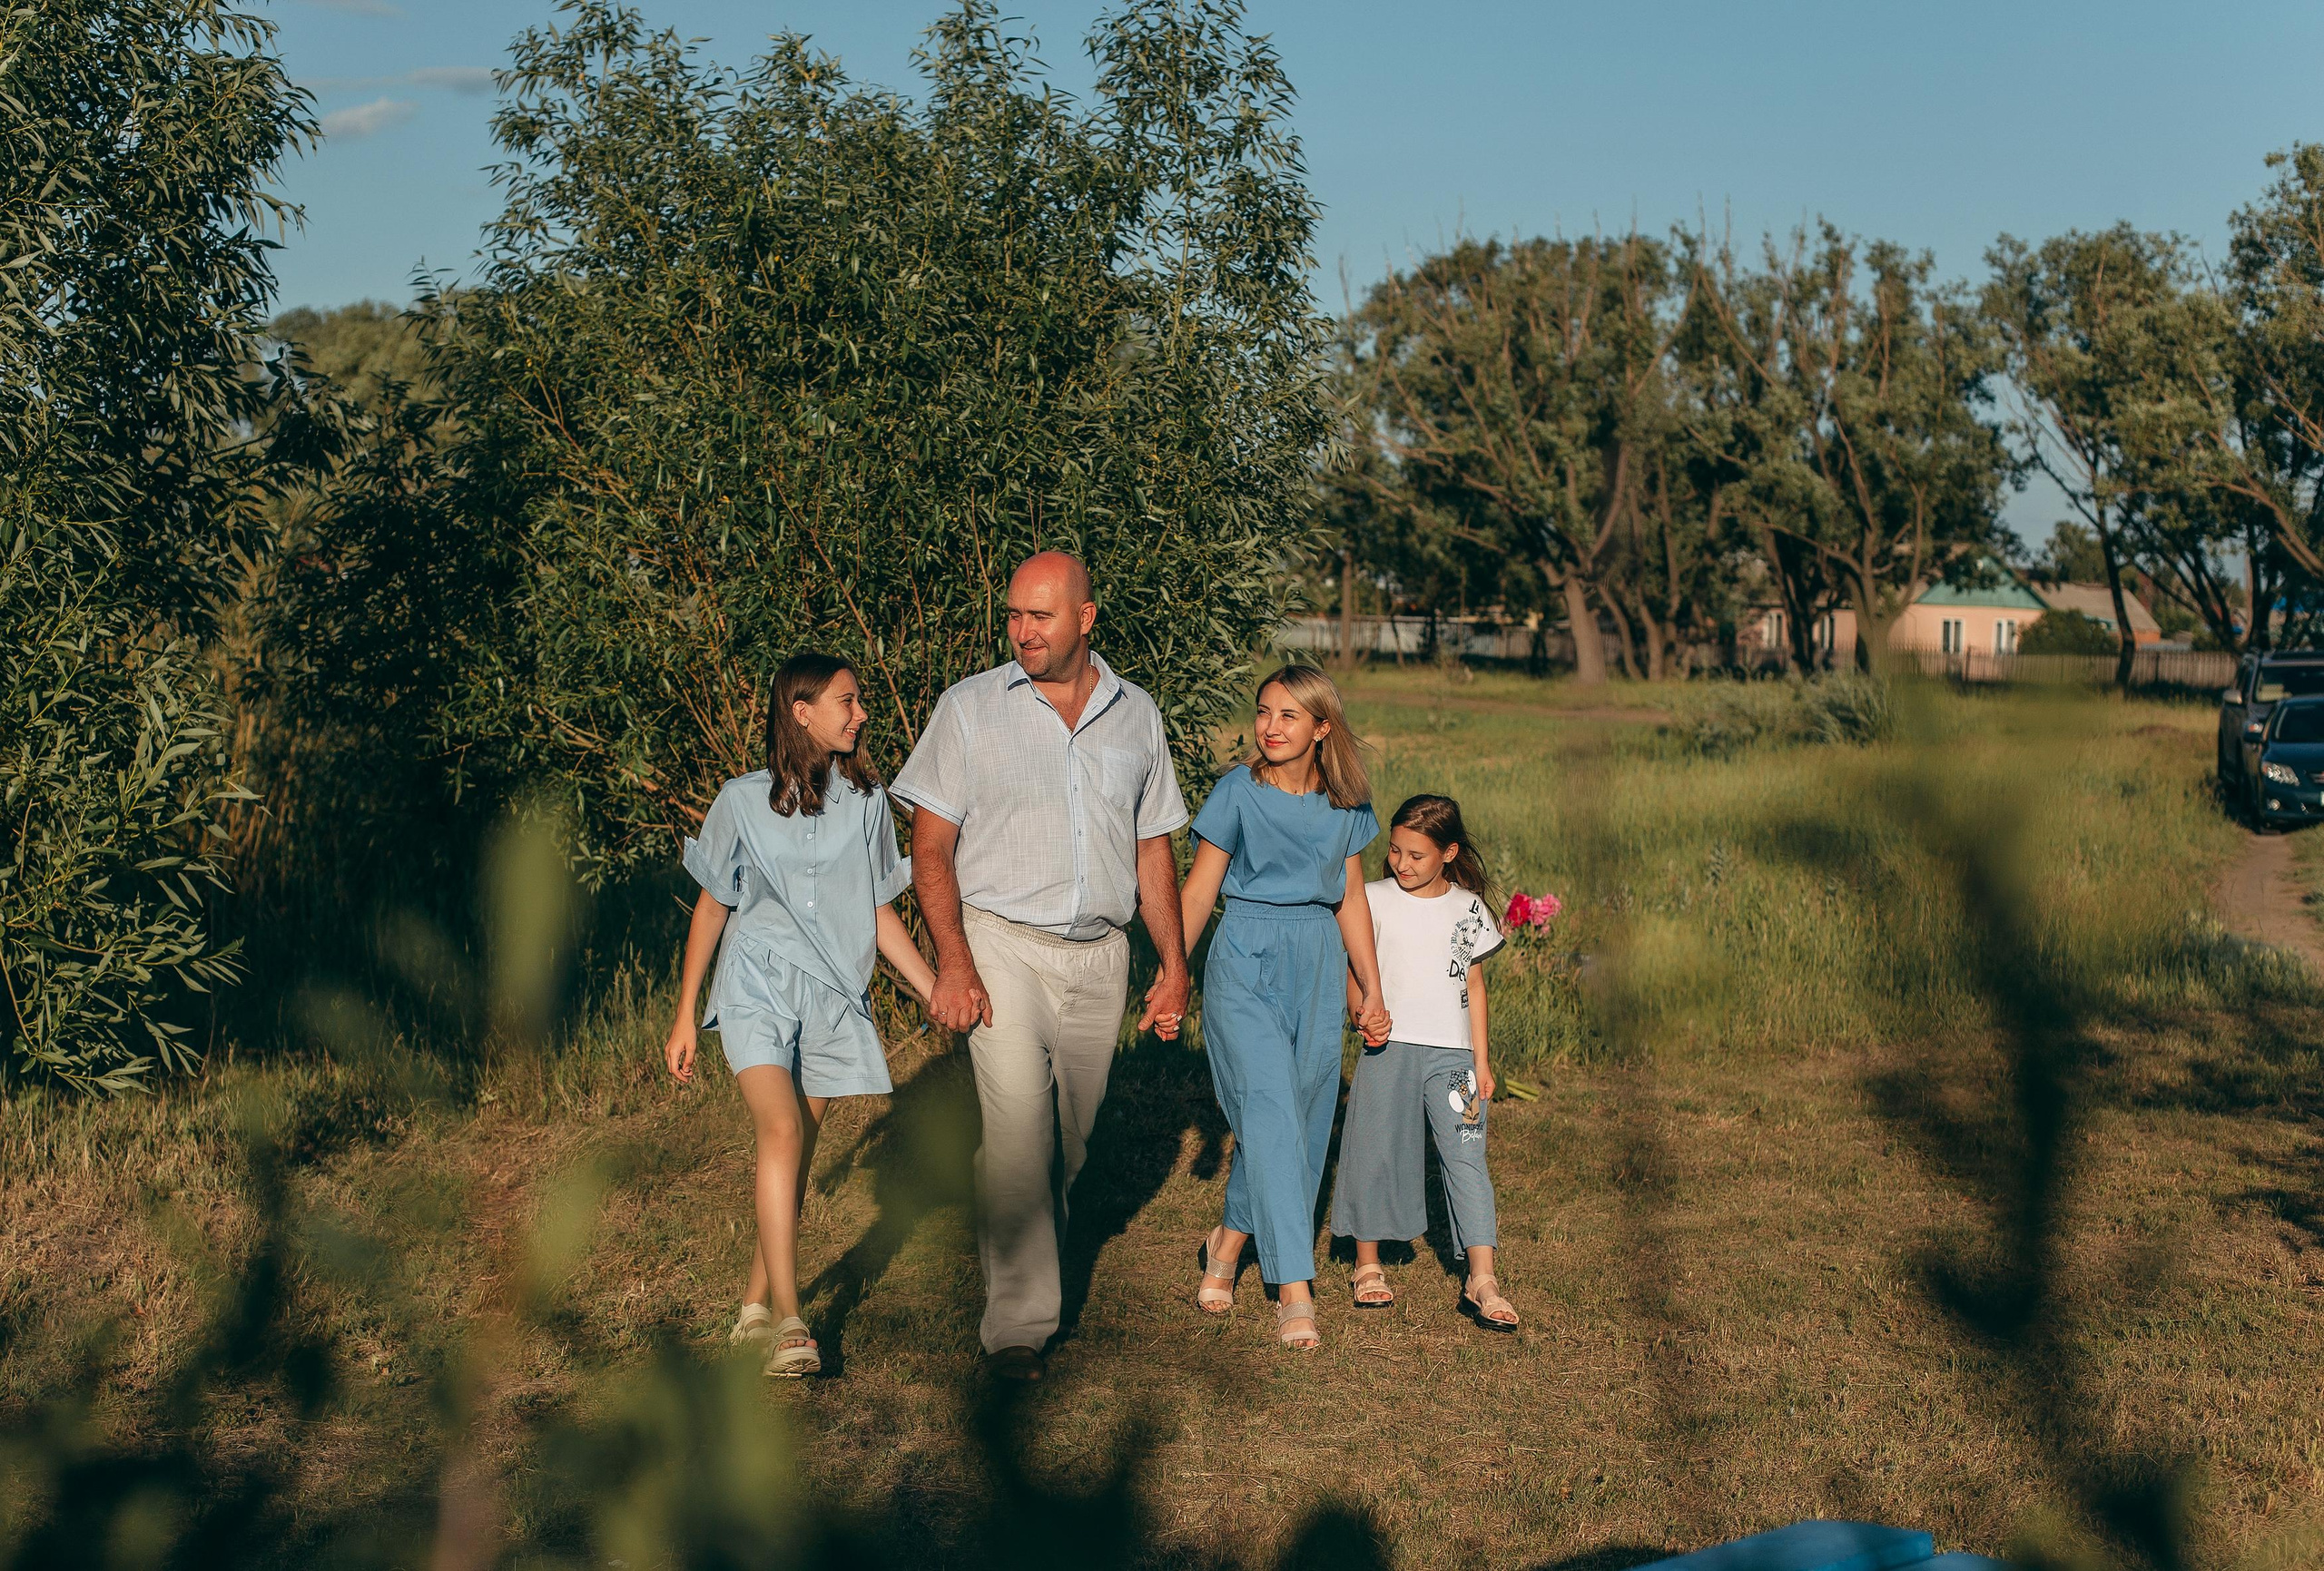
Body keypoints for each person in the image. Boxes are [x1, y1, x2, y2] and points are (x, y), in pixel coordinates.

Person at [891, 551, 1192, 1383]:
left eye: (1042, 616)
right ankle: (1019, 1327)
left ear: (1086, 618)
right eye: (1015, 614)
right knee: (1021, 1134)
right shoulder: (970, 709)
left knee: (1073, 1142)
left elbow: (1153, 841)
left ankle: (1019, 1224)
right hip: (1001, 945)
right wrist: (953, 961)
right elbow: (931, 845)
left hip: (1101, 954)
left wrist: (1172, 962)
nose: (1023, 630)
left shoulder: (1137, 714)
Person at [665, 651, 939, 1378]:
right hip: (754, 984)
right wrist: (687, 1011)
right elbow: (713, 904)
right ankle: (791, 1320)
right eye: (848, 700)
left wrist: (931, 987)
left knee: (797, 1150)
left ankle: (752, 1306)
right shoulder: (740, 800)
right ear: (801, 710)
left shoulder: (870, 802)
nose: (862, 713)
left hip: (832, 994)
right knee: (780, 1128)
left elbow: (879, 912)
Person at [1180, 664, 1389, 1350]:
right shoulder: (1236, 791)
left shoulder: (1346, 804)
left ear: (1321, 727)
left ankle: (1227, 1242)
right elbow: (1200, 888)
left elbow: (1351, 898)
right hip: (1244, 952)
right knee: (1269, 1104)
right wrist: (1171, 975)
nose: (1270, 725)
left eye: (1288, 715)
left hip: (1318, 960)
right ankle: (1293, 1288)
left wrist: (1372, 987)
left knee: (1297, 1118)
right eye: (1264, 711)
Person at [1328, 793, 1519, 1331]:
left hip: (1454, 1057)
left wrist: (1481, 1062)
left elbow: (1475, 987)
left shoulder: (1469, 909)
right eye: (1394, 851)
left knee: (1466, 1157)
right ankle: (1367, 1265)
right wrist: (1362, 1013)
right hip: (1388, 1047)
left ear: (1448, 853)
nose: (1401, 864)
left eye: (1415, 855)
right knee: (1374, 1149)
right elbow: (1354, 970)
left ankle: (1482, 1278)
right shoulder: (1372, 899)